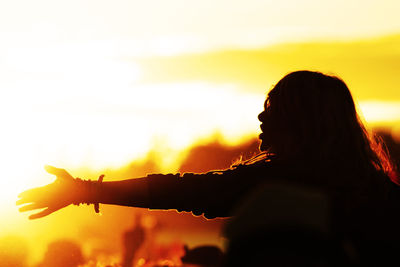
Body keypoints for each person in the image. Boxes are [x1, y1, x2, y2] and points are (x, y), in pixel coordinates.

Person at [17, 70, 399, 265]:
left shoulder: (278, 182)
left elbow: (185, 189)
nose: (261, 117)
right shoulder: (382, 192)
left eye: (275, 107)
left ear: (306, 121)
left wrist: (86, 190)